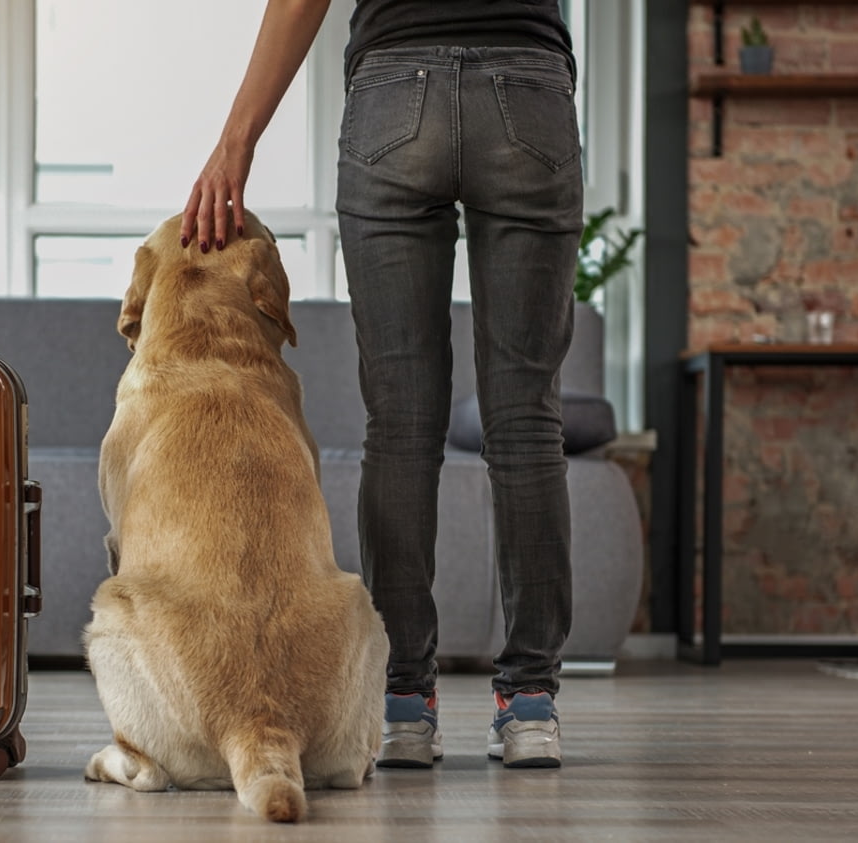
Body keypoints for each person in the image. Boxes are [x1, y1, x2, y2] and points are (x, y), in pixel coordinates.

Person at [180, 0, 582, 770]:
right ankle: (530, 702)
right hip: (527, 91)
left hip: (396, 94)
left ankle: (404, 703)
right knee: (526, 420)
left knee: (400, 423)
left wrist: (236, 142)